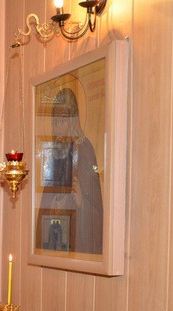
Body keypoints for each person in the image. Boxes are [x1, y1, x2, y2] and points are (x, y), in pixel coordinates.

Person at [41, 88, 103, 254]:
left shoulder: (84, 150)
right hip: (57, 238)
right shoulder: (54, 152)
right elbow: (46, 201)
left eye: (62, 120)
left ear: (73, 121)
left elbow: (96, 211)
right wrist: (51, 206)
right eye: (54, 120)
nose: (57, 126)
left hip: (77, 242)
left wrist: (81, 201)